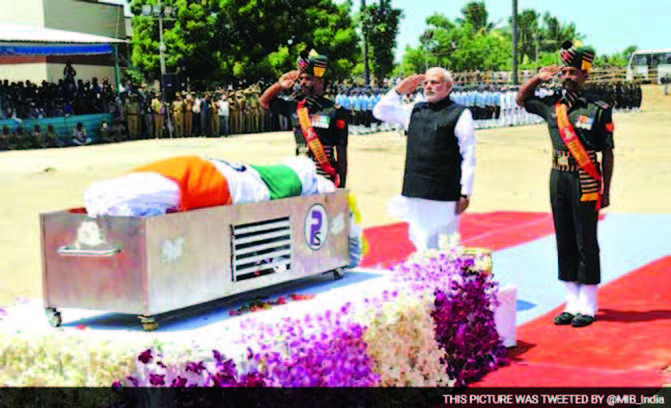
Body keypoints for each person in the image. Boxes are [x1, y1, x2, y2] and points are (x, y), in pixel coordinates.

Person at [516, 41, 615, 328]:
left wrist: (606, 190)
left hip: (585, 178)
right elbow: (521, 100)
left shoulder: (598, 109)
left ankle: (589, 302)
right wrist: (537, 78)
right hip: (557, 177)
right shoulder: (551, 105)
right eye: (565, 71)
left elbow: (607, 152)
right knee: (564, 237)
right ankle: (571, 301)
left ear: (585, 75)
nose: (568, 76)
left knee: (586, 239)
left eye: (574, 72)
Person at [373, 67, 476, 251]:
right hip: (417, 189)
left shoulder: (460, 113)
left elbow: (468, 154)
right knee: (421, 243)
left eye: (434, 82)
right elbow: (380, 111)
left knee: (447, 245)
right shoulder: (414, 110)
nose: (428, 86)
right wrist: (399, 90)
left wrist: (465, 192)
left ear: (448, 86)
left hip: (445, 192)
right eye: (426, 82)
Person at [259, 49, 349, 188]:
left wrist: (341, 185)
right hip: (300, 175)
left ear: (320, 81)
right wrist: (279, 85)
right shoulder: (295, 106)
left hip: (323, 176)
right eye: (301, 79)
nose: (302, 82)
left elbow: (341, 151)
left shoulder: (335, 110)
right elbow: (264, 103)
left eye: (308, 78)